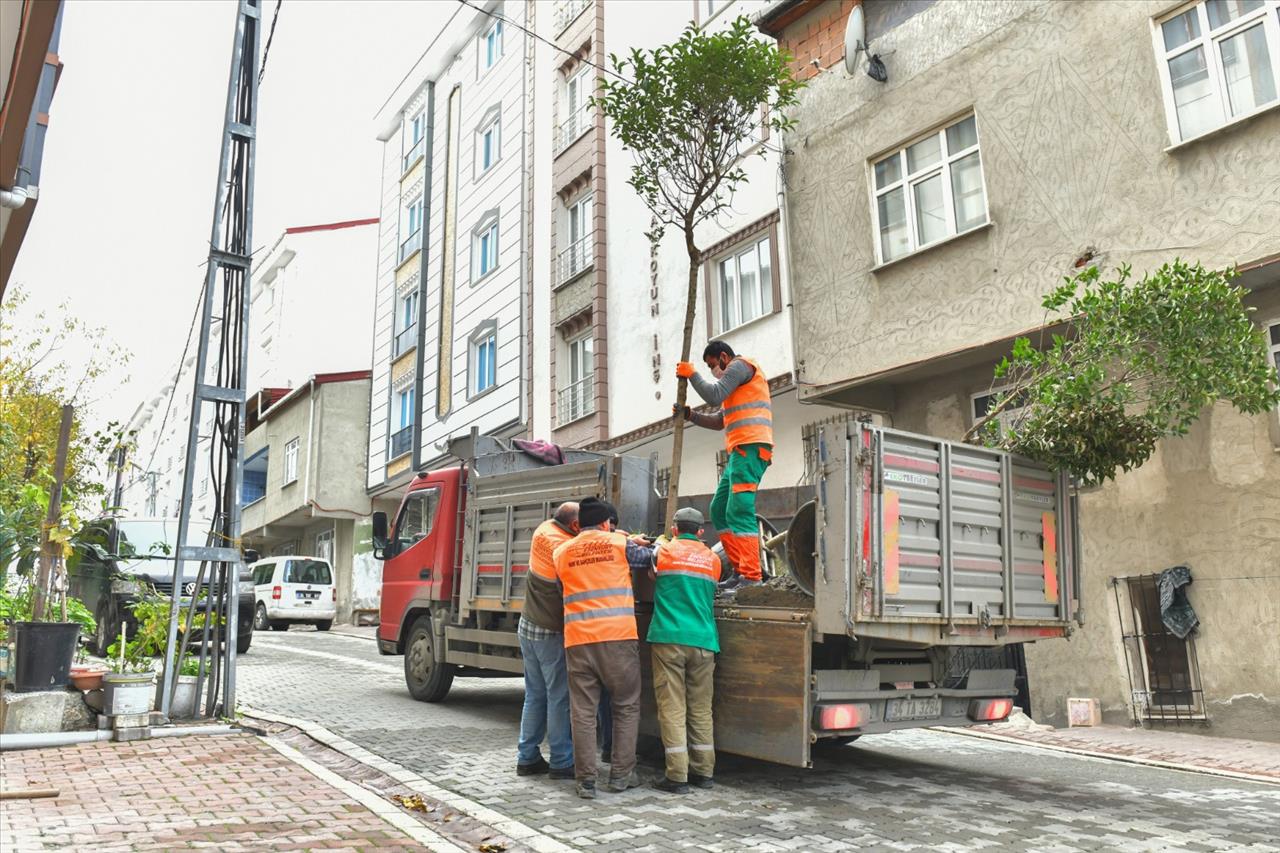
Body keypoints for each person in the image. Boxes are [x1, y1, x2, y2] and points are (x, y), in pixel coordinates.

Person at [551, 497, 646, 799]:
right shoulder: (620, 545)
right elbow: (650, 558)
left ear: (579, 524)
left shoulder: (561, 551)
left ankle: (586, 781)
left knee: (582, 712)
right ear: (606, 523)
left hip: (578, 640)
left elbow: (560, 587)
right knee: (626, 706)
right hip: (617, 637)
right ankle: (620, 775)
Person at [675, 341, 774, 589]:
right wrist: (690, 416)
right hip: (739, 451)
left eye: (712, 366)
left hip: (751, 448)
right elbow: (720, 420)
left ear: (723, 357)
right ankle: (740, 571)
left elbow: (713, 394)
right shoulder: (734, 385)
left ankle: (751, 577)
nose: (712, 371)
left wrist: (693, 374)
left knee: (739, 510)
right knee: (719, 509)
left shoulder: (740, 366)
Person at [648, 507, 720, 794]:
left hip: (669, 638)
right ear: (701, 531)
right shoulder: (713, 559)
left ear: (675, 528)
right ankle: (704, 772)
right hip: (704, 641)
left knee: (673, 707)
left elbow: (651, 575)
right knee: (701, 708)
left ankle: (677, 776)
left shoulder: (663, 551)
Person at [515, 502, 578, 780]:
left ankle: (527, 757)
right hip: (549, 632)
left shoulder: (544, 529)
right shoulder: (563, 548)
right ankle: (562, 761)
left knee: (535, 695)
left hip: (527, 627)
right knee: (558, 697)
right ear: (575, 526)